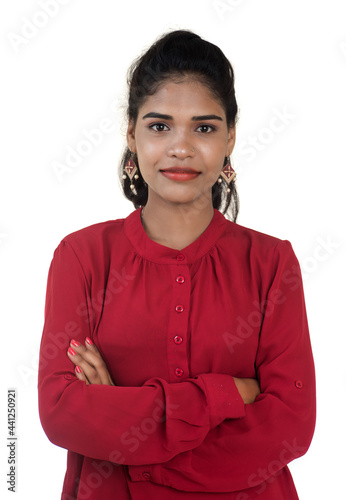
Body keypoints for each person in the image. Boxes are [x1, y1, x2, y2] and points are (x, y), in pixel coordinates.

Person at [38, 29, 316, 500]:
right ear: (131, 133)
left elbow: (291, 424)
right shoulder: (82, 257)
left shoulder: (271, 263)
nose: (181, 147)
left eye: (204, 128)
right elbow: (63, 412)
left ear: (230, 136)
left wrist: (124, 429)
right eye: (159, 126)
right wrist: (229, 393)